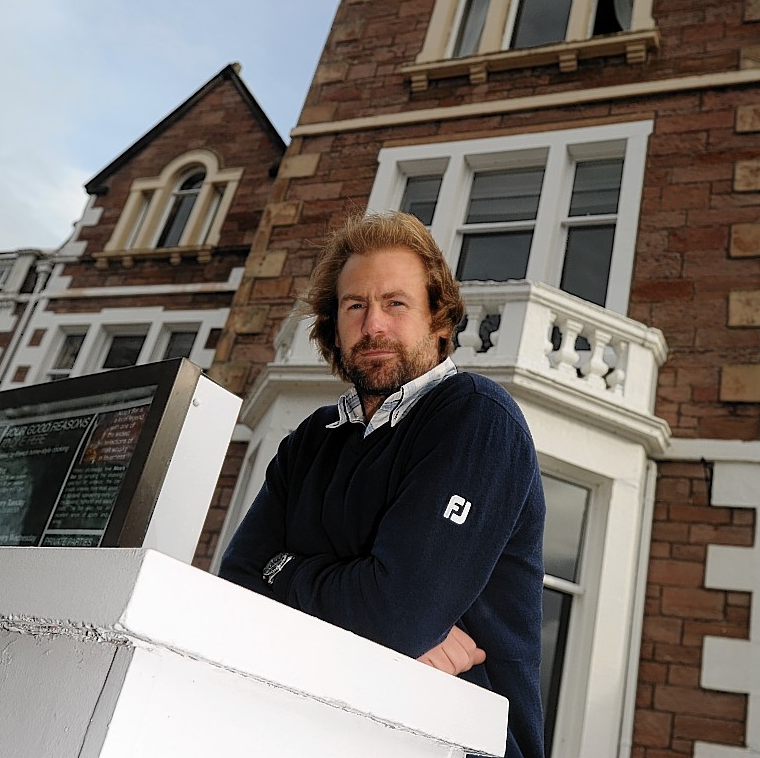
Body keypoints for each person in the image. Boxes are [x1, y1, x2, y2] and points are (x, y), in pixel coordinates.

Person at [219, 211, 546, 758]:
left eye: (396, 303)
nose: (373, 325)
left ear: (439, 320)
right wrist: (386, 617)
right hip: (312, 724)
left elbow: (395, 614)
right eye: (355, 306)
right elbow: (236, 587)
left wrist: (288, 570)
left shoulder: (476, 418)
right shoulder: (312, 439)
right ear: (333, 323)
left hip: (452, 741)